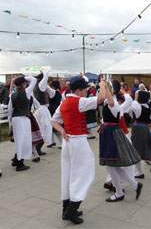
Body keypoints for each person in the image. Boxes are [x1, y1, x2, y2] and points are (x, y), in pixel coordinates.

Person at [51, 75, 106, 225]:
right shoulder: (79, 101)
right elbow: (101, 98)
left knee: (68, 174)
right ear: (79, 90)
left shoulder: (64, 102)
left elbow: (53, 121)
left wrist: (62, 130)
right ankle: (71, 210)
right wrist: (102, 83)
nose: (86, 92)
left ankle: (66, 209)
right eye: (85, 90)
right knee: (83, 174)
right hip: (78, 142)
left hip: (67, 142)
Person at [99, 80, 143, 202]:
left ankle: (120, 192)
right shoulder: (110, 102)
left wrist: (104, 86)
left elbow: (111, 103)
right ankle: (133, 186)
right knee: (112, 166)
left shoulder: (113, 103)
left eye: (106, 88)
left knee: (112, 165)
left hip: (112, 136)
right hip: (108, 135)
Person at [130, 90, 151, 179]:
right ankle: (139, 172)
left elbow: (133, 104)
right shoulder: (149, 108)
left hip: (138, 129)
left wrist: (136, 98)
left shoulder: (137, 107)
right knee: (141, 150)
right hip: (145, 128)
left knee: (138, 151)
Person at [8, 75, 37, 171]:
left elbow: (10, 110)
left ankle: (17, 160)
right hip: (23, 119)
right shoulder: (27, 92)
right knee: (24, 141)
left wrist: (10, 123)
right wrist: (25, 76)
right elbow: (34, 80)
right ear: (24, 83)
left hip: (15, 119)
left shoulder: (13, 94)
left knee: (19, 141)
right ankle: (19, 164)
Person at [48, 80, 63, 148]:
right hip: (56, 109)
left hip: (52, 110)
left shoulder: (54, 92)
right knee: (52, 127)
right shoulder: (59, 92)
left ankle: (61, 143)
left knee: (55, 128)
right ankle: (52, 141)